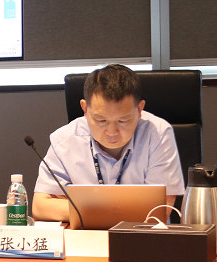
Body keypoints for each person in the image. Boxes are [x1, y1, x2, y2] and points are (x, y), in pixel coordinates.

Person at [33, 64, 185, 222]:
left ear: (140, 109)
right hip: (83, 235)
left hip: (139, 235)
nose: (112, 132)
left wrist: (77, 207)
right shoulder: (65, 140)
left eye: (123, 120)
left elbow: (158, 212)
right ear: (85, 109)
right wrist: (126, 210)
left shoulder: (158, 134)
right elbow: (40, 207)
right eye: (101, 120)